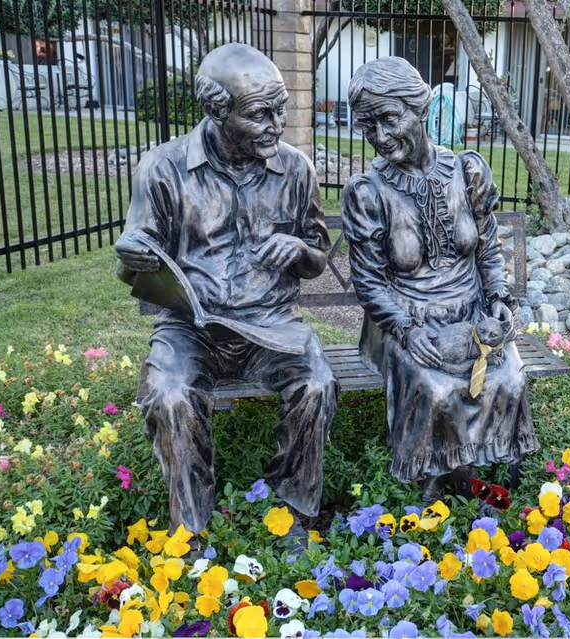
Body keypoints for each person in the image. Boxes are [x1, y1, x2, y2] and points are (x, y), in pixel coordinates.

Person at [115, 43, 338, 534]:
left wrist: (299, 250)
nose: (277, 126)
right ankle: (190, 532)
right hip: (191, 329)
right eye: (261, 115)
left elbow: (319, 256)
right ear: (218, 111)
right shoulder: (164, 168)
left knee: (317, 385)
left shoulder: (296, 169)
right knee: (171, 395)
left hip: (272, 328)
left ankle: (294, 513)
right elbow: (137, 254)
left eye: (281, 110)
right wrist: (134, 254)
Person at [341, 57, 537, 502]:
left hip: (471, 316)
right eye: (367, 126)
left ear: (422, 109)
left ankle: (492, 483)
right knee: (436, 388)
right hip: (403, 321)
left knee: (509, 380)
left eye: (389, 120)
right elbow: (369, 282)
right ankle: (431, 486)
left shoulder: (467, 171)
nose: (380, 136)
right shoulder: (367, 192)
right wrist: (406, 329)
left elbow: (487, 247)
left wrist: (498, 298)